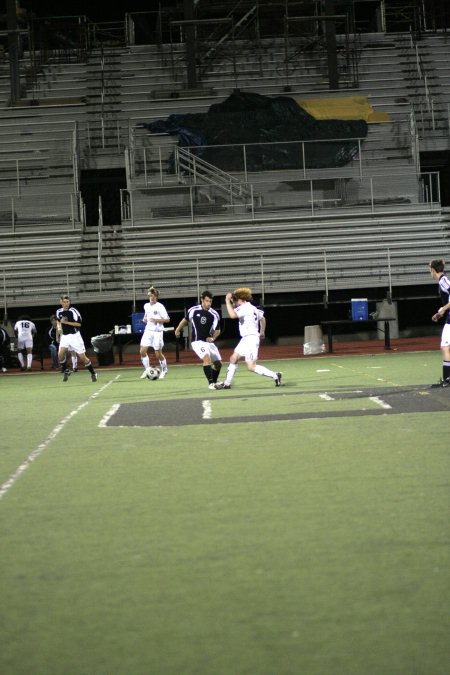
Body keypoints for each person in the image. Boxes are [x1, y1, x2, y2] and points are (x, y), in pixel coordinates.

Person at [214, 287, 282, 389]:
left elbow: (232, 315)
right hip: (247, 339)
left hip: (250, 339)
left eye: (235, 301)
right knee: (233, 358)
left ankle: (276, 375)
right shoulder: (252, 307)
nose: (235, 303)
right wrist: (262, 331)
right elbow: (262, 318)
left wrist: (227, 301)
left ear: (240, 300)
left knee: (251, 366)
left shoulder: (244, 308)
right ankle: (227, 384)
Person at [175, 290, 222, 389]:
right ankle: (211, 383)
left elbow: (217, 330)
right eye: (207, 301)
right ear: (202, 300)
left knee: (218, 364)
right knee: (206, 358)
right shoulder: (193, 310)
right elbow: (185, 320)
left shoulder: (214, 314)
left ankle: (214, 381)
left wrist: (213, 338)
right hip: (197, 342)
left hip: (208, 342)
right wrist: (178, 330)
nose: (209, 303)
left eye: (210, 301)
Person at [55, 294, 97, 383]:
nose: (66, 304)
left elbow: (79, 324)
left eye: (67, 302)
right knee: (60, 355)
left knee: (83, 358)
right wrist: (59, 332)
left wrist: (66, 322)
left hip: (75, 336)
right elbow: (59, 322)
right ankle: (66, 370)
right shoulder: (58, 311)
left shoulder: (73, 311)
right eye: (64, 302)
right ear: (60, 302)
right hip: (65, 336)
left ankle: (93, 373)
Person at [139, 286, 170, 379]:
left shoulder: (160, 306)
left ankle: (164, 370)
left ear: (156, 296)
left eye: (152, 296)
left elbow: (167, 319)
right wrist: (144, 319)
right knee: (142, 351)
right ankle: (147, 370)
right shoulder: (146, 305)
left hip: (157, 332)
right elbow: (146, 316)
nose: (151, 298)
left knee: (158, 354)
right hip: (148, 331)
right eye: (149, 296)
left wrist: (156, 320)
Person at [429, 259, 450, 387]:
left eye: (429, 269)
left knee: (445, 346)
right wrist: (440, 313)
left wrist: (443, 309)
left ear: (433, 269)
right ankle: (447, 379)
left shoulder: (444, 281)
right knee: (445, 346)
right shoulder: (442, 281)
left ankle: (447, 379)